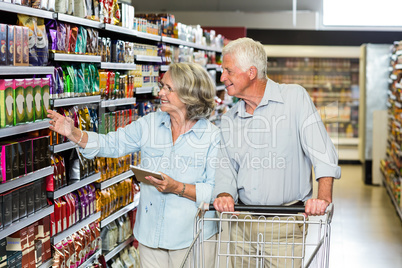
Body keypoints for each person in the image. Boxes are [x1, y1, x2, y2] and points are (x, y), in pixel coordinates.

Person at [48, 62, 220, 268]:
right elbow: (112, 143)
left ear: (188, 95)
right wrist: (74, 133)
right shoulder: (150, 124)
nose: (161, 92)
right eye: (162, 85)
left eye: (168, 88)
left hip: (192, 237)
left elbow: (216, 191)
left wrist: (178, 188)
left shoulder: (212, 137)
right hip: (150, 236)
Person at [212, 37, 341, 267]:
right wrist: (224, 193)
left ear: (251, 72)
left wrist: (323, 197)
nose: (222, 78)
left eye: (228, 71)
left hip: (285, 225)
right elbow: (226, 167)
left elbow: (322, 151)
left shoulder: (294, 99)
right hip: (242, 224)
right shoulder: (230, 119)